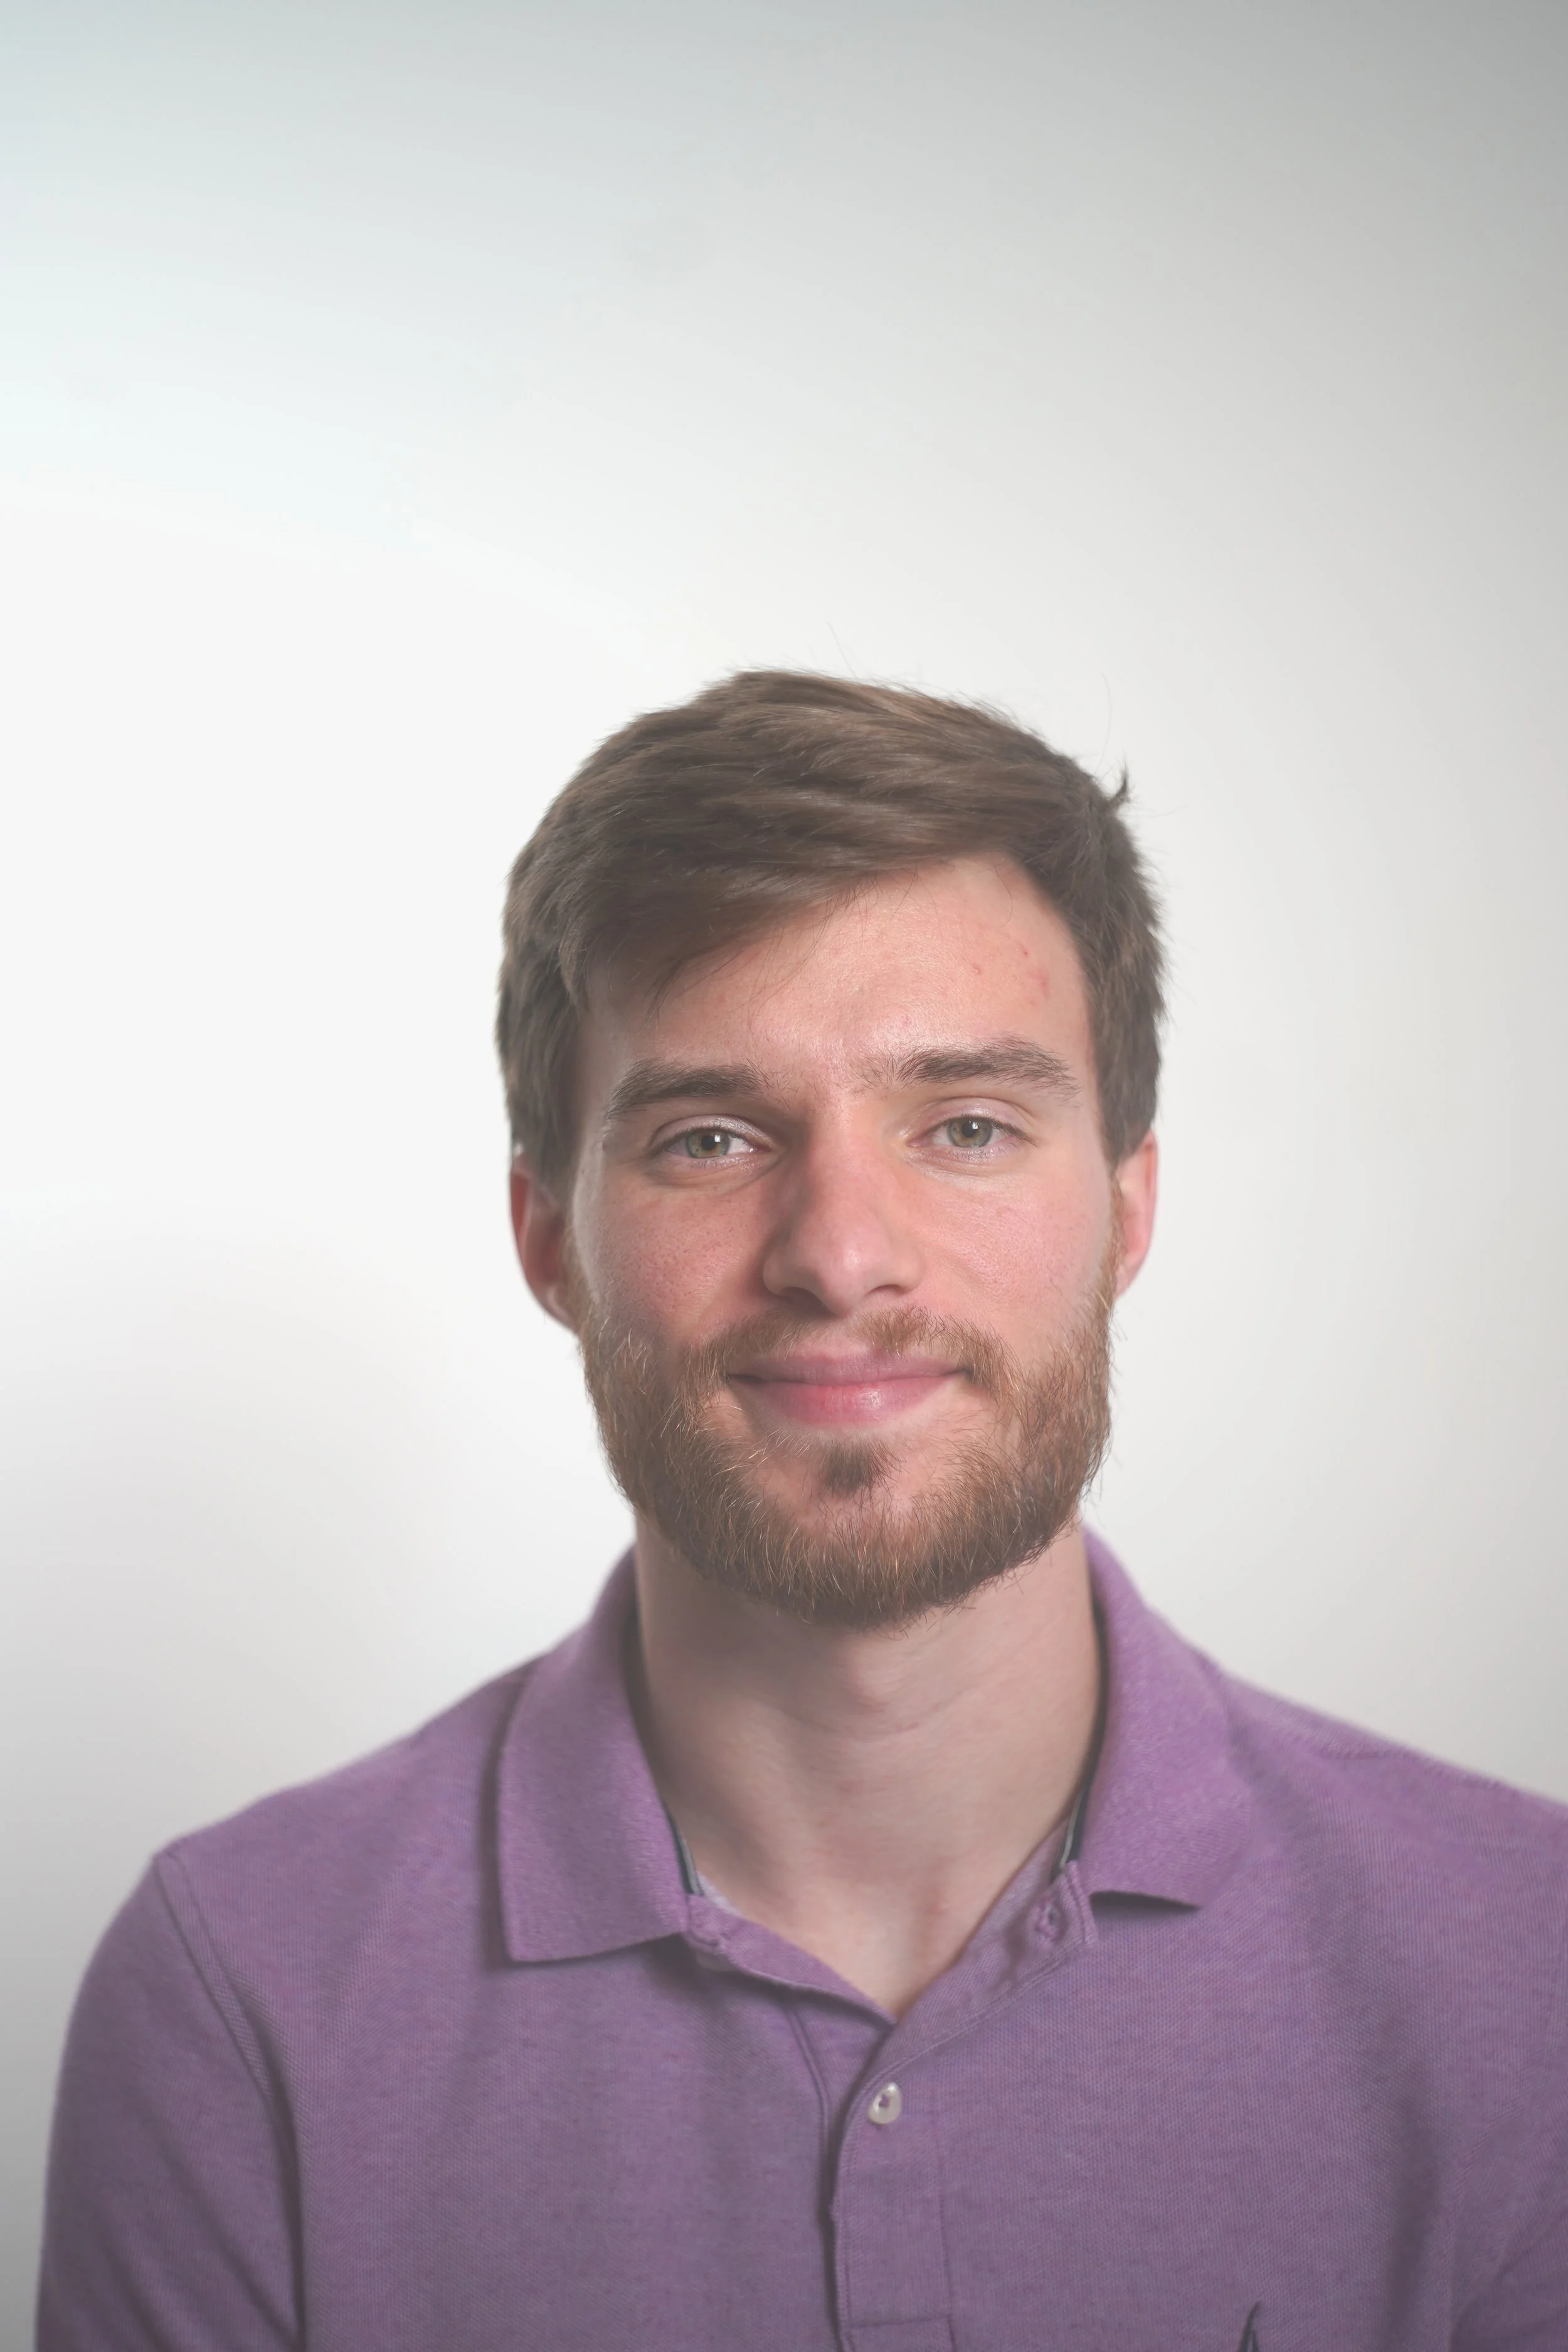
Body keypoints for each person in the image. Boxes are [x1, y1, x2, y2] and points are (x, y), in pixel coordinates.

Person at [38, 672, 1568, 2351]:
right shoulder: (243, 1993)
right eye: (710, 1138)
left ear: (1127, 1209)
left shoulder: (1527, 1961)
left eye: (966, 1125)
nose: (841, 1255)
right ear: (550, 1240)